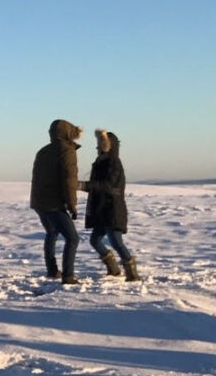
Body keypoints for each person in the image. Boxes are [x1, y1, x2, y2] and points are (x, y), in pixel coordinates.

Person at [84, 129, 142, 281]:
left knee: (116, 242)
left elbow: (108, 185)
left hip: (112, 209)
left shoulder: (114, 162)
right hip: (101, 210)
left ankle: (132, 274)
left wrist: (84, 186)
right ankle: (113, 268)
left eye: (100, 145)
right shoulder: (100, 163)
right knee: (94, 241)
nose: (97, 148)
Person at [30, 119, 83, 284]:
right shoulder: (66, 151)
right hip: (53, 203)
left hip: (39, 202)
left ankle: (52, 271)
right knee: (72, 238)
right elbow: (69, 181)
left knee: (52, 233)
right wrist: (72, 205)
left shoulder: (43, 151)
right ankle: (68, 276)